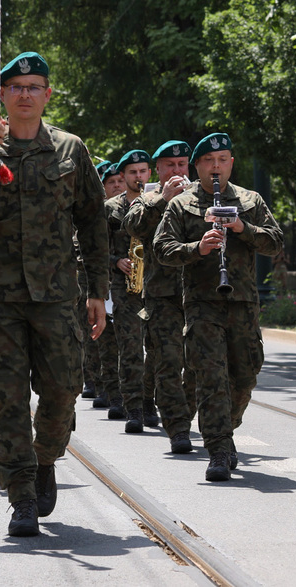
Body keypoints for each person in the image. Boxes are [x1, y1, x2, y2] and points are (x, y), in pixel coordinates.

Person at [0, 51, 108, 537]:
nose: (26, 94)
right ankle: (22, 496)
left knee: (62, 389)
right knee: (5, 399)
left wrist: (99, 290)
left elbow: (93, 221)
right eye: (17, 87)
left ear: (48, 94)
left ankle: (46, 455)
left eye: (35, 86)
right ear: (4, 95)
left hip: (56, 296)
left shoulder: (71, 149)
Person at [154, 132, 283, 482]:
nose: (216, 166)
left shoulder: (249, 200)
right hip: (201, 304)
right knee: (211, 377)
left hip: (242, 303)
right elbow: (161, 249)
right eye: (209, 161)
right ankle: (219, 448)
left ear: (231, 163)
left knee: (244, 374)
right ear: (197, 166)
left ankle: (225, 424)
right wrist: (199, 247)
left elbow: (275, 243)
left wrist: (242, 228)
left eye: (222, 160)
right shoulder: (182, 204)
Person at [122, 141, 195, 454]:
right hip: (162, 297)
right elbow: (133, 226)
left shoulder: (203, 196)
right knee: (167, 362)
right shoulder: (147, 199)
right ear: (159, 170)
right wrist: (164, 199)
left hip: (199, 295)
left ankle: (188, 415)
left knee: (198, 366)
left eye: (182, 164)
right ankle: (177, 428)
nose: (177, 171)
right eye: (170, 165)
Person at [105, 148, 157, 434]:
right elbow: (93, 249)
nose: (138, 177)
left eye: (143, 171)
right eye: (132, 173)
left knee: (159, 351)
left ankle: (150, 400)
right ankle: (134, 407)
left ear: (149, 173)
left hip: (157, 284)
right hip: (125, 288)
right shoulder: (110, 209)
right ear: (122, 176)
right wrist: (116, 261)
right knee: (131, 349)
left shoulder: (160, 203)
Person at [89, 162, 124, 414]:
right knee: (104, 341)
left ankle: (135, 396)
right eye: (111, 182)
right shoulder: (98, 211)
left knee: (131, 344)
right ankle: (106, 387)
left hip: (132, 285)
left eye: (120, 181)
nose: (117, 186)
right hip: (104, 284)